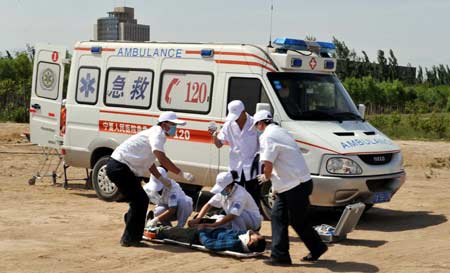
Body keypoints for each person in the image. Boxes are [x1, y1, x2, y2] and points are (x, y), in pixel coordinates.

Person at [106, 111, 195, 247]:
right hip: (120, 167)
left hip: (121, 167)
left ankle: (131, 230)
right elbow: (161, 158)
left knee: (138, 201)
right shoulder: (157, 134)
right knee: (140, 200)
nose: (175, 128)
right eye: (173, 125)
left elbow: (150, 162)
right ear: (164, 124)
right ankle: (130, 238)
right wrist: (181, 173)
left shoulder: (155, 134)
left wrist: (162, 179)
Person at [252, 110, 328, 265]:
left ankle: (314, 248)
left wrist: (266, 176)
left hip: (294, 186)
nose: (257, 129)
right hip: (296, 183)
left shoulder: (267, 136)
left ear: (261, 123)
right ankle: (282, 255)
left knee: (296, 220)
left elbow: (267, 163)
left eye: (256, 126)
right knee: (279, 217)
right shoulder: (281, 131)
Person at [209, 100, 260, 205]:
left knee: (253, 195)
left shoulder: (255, 123)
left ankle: (253, 216)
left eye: (237, 116)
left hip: (252, 166)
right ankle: (233, 215)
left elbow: (262, 144)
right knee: (234, 194)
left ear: (243, 112)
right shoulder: (228, 125)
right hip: (235, 166)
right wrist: (214, 136)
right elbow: (219, 144)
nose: (235, 120)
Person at [188, 171, 262, 231]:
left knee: (234, 214)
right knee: (219, 220)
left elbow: (233, 215)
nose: (221, 191)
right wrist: (198, 219)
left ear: (229, 185)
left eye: (223, 188)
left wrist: (213, 225)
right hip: (234, 217)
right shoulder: (224, 192)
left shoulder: (240, 194)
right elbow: (209, 204)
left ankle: (239, 233)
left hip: (253, 221)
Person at [149, 226, 266, 253]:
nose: (254, 234)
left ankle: (155, 231)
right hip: (211, 230)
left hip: (196, 237)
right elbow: (241, 232)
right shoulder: (243, 238)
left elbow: (210, 244)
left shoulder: (235, 243)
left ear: (250, 242)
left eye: (255, 236)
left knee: (169, 232)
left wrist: (201, 232)